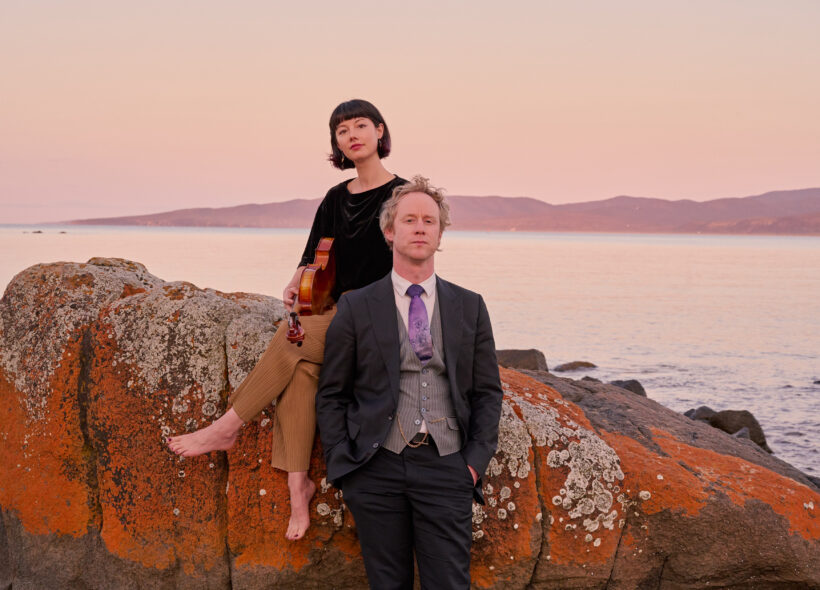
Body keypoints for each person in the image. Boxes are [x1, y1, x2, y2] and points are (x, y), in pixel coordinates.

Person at [167, 99, 407, 541]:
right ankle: (299, 486)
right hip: (336, 315)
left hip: (379, 319)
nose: (351, 135)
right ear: (336, 143)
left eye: (359, 126)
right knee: (301, 374)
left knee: (291, 339)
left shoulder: (402, 196)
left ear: (379, 131)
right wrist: (296, 285)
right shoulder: (336, 198)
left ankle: (226, 428)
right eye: (340, 131)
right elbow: (311, 256)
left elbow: (411, 265)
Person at [316, 176, 503, 589]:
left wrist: (472, 464)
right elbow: (332, 393)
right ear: (389, 232)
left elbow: (488, 392)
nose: (420, 228)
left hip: (447, 465)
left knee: (449, 584)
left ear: (439, 235)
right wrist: (345, 465)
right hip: (376, 467)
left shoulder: (469, 306)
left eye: (429, 221)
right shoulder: (357, 305)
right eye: (409, 220)